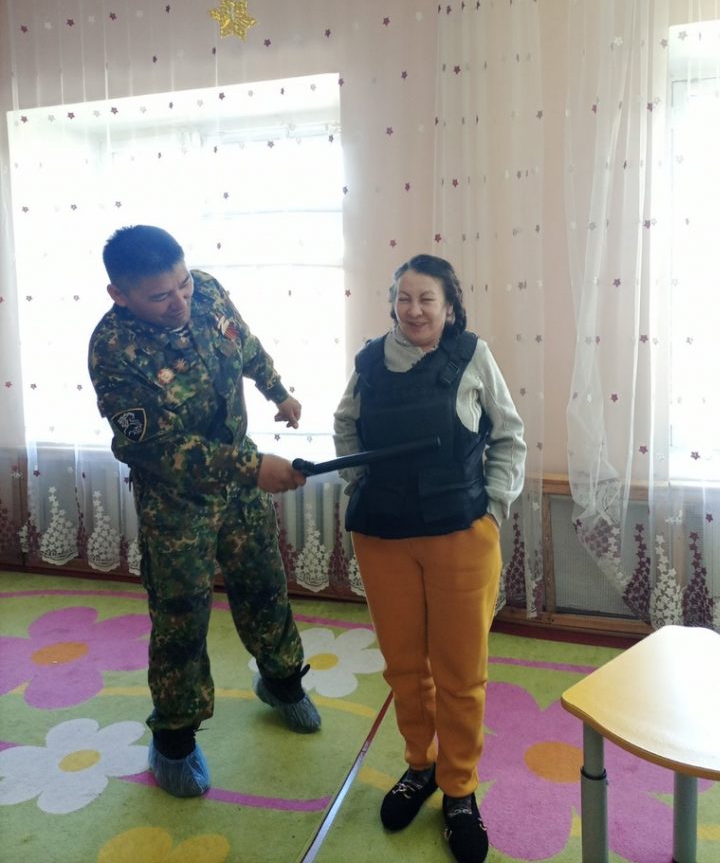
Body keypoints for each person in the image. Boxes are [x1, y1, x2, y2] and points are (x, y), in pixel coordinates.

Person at [88, 225, 320, 799]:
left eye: (184, 285)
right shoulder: (113, 350)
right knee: (181, 617)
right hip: (177, 502)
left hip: (241, 487)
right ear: (120, 294)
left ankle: (282, 681)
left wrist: (277, 391)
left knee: (265, 585)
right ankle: (174, 738)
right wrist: (252, 467)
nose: (180, 303)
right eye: (160, 296)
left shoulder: (208, 291)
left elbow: (244, 343)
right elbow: (156, 448)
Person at [333, 254, 525, 863]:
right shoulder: (369, 361)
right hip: (383, 537)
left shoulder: (472, 355)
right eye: (404, 298)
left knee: (461, 673)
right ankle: (421, 766)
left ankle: (459, 788)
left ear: (449, 305)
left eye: (427, 299)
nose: (414, 310)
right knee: (404, 668)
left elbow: (509, 435)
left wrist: (493, 509)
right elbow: (345, 426)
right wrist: (358, 487)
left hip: (460, 535)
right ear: (392, 302)